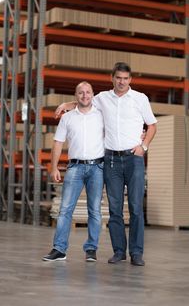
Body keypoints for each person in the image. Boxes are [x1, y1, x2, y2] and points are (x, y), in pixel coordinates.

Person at [55, 62, 157, 266]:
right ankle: (119, 251)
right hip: (110, 159)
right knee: (115, 208)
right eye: (118, 78)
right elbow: (84, 102)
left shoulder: (140, 98)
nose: (122, 82)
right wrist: (67, 104)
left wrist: (143, 147)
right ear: (112, 78)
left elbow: (152, 125)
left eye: (125, 78)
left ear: (131, 79)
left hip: (134, 158)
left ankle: (136, 253)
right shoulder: (102, 98)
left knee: (136, 207)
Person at [42, 81, 105, 262]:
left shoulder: (102, 115)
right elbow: (58, 143)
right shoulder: (67, 118)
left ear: (93, 94)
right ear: (75, 95)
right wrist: (54, 167)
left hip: (97, 168)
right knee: (65, 210)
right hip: (74, 167)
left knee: (94, 211)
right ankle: (59, 249)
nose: (85, 96)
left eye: (88, 92)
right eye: (80, 93)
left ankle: (91, 249)